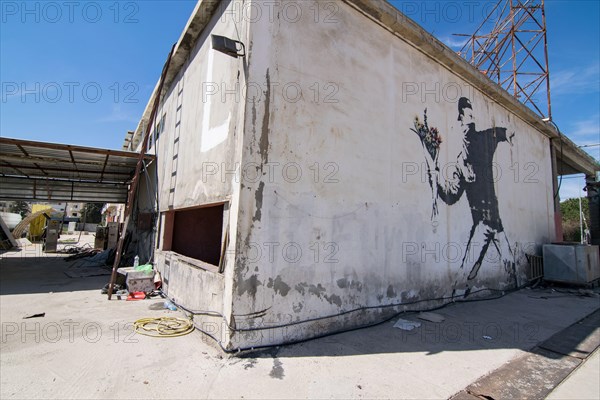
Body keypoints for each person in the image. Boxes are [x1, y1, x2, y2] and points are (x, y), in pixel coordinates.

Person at [417, 97, 516, 284]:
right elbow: (451, 196)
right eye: (466, 116)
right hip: (488, 225)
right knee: (468, 275)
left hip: (491, 224)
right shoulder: (463, 158)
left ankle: (458, 292)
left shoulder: (481, 140)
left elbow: (450, 196)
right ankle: (458, 293)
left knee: (468, 276)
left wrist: (435, 178)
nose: (468, 122)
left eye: (470, 117)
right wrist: (435, 177)